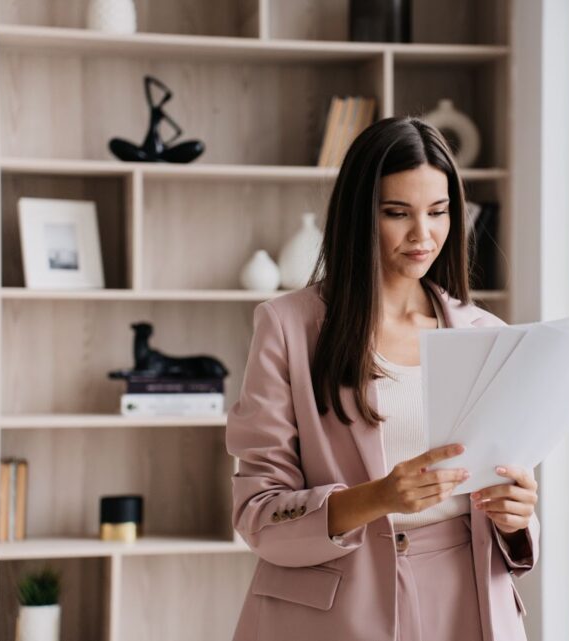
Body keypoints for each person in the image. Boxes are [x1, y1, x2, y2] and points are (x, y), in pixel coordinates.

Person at [226, 117, 540, 641]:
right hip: (337, 607)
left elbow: (508, 494)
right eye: (398, 213)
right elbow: (257, 514)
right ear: (359, 217)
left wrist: (518, 515)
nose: (424, 235)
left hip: (469, 598)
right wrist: (380, 497)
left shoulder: (489, 335)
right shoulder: (287, 327)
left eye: (439, 212)